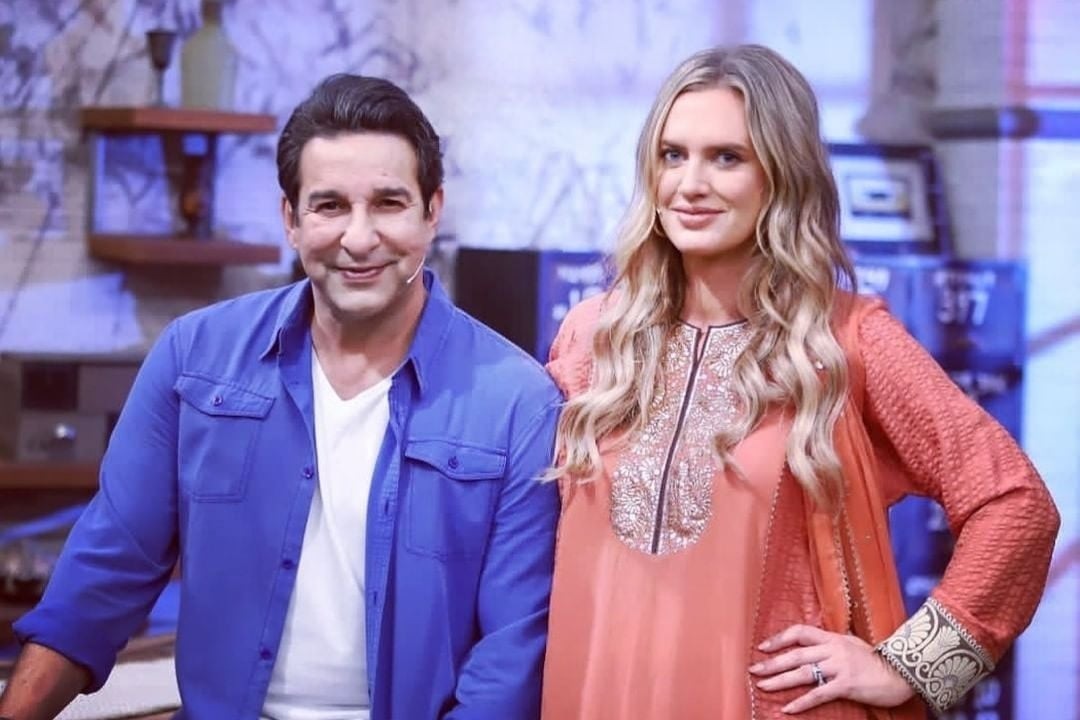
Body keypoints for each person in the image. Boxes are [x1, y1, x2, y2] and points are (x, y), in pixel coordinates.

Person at [0, 74, 561, 720]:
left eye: (388, 203)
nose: (359, 238)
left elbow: (508, 668)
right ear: (291, 220)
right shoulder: (193, 359)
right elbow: (98, 583)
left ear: (432, 212)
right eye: (329, 206)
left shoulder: (519, 404)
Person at [539, 45, 1059, 719]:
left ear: (782, 175)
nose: (690, 183)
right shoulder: (592, 338)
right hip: (597, 694)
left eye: (727, 158)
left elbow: (1015, 502)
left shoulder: (844, 342)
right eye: (672, 155)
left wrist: (912, 664)